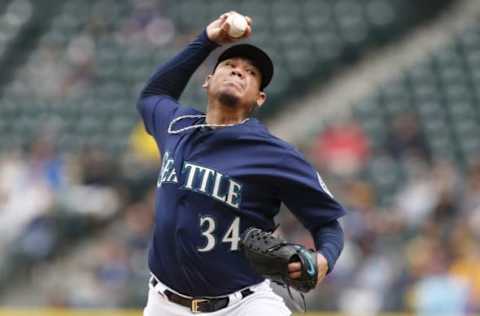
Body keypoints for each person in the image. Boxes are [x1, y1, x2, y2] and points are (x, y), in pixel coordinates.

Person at [137, 12, 346, 315]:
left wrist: (324, 258)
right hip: (164, 304)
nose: (238, 72)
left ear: (260, 98)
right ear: (208, 81)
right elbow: (153, 94)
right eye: (230, 66)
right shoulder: (176, 125)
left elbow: (327, 223)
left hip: (244, 305)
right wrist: (207, 40)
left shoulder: (274, 154)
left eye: (250, 72)